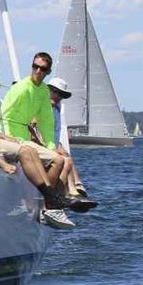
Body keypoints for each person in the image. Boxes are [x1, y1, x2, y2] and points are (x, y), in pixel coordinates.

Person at [0, 52, 89, 226]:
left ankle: (48, 204)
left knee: (58, 159)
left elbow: (45, 120)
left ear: (47, 71)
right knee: (26, 151)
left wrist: (51, 144)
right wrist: (7, 137)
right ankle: (48, 202)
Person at [47, 77, 95, 207]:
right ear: (48, 90)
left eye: (61, 94)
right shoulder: (43, 107)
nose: (57, 96)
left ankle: (76, 187)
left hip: (52, 144)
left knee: (67, 157)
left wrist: (58, 145)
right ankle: (67, 193)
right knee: (65, 160)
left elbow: (52, 133)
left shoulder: (56, 109)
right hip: (42, 145)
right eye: (54, 92)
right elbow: (35, 129)